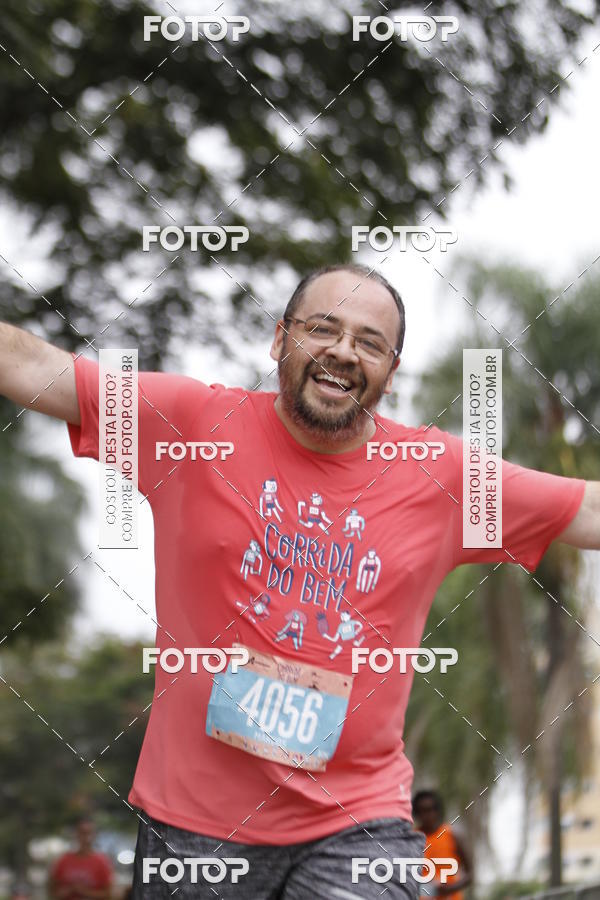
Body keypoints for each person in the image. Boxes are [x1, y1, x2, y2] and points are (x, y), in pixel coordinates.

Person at [1, 264, 598, 899]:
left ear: (391, 372)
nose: (344, 351)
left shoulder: (437, 475)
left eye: (370, 342)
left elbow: (585, 507)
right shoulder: (191, 427)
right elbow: (39, 369)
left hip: (357, 820)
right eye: (323, 329)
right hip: (195, 830)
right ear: (280, 338)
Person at [412, 790, 473, 899]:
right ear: (416, 814)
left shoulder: (452, 836)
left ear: (437, 811)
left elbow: (470, 874)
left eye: (430, 810)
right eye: (421, 811)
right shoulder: (412, 839)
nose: (426, 815)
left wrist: (451, 888)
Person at [48, 818, 113, 900]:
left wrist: (83, 891)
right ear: (76, 834)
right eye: (82, 833)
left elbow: (108, 894)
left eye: (89, 833)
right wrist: (69, 890)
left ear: (95, 835)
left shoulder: (102, 862)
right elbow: (53, 890)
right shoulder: (63, 860)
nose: (85, 837)